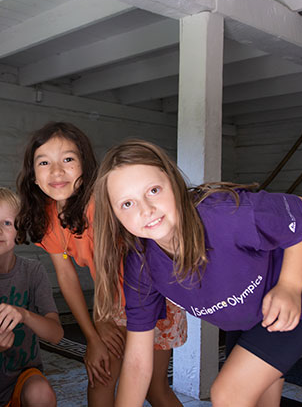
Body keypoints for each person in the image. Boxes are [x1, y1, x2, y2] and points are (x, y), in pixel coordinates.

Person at [93, 139, 302, 407]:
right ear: (114, 215)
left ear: (173, 183)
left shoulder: (224, 214)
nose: (146, 209)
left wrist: (290, 286)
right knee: (259, 397)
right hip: (249, 315)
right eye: (127, 204)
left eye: (153, 190)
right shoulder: (141, 265)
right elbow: (138, 361)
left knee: (229, 394)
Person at [15, 122, 185, 407]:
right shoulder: (47, 217)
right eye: (44, 162)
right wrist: (92, 337)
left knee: (153, 388)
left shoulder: (100, 203)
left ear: (86, 166)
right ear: (33, 175)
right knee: (101, 376)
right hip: (113, 301)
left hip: (153, 295)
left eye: (68, 159)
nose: (57, 171)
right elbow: (66, 276)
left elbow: (112, 264)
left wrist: (102, 319)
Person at [0, 186, 63, 407]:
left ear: (19, 233)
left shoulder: (33, 272)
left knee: (41, 394)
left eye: (7, 223)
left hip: (23, 379)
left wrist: (24, 315)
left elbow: (56, 334)